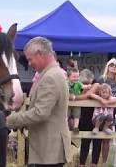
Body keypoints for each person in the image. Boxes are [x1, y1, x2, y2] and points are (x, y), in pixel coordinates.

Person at [6, 37, 70, 166]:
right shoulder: (49, 74)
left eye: (30, 59)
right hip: (46, 149)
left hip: (48, 150)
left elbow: (41, 112)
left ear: (40, 53)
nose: (29, 63)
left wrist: (12, 120)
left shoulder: (50, 77)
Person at [77, 69, 102, 167]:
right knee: (85, 142)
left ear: (91, 80)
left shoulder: (97, 84)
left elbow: (86, 96)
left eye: (87, 83)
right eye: (83, 83)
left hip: (97, 117)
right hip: (84, 117)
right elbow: (81, 96)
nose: (86, 85)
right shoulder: (78, 86)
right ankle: (82, 164)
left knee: (97, 142)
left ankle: (94, 164)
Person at [67, 67, 91, 133]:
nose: (76, 78)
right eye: (74, 77)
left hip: (77, 102)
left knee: (77, 115)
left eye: (77, 77)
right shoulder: (66, 83)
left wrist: (88, 86)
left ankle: (75, 127)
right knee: (66, 115)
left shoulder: (78, 83)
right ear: (68, 77)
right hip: (68, 103)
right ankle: (65, 127)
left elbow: (83, 86)